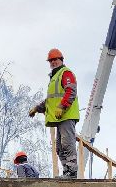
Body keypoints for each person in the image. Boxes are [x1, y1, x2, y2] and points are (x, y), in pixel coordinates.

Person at [28, 48, 79, 179]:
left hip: (66, 116)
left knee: (67, 144)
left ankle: (72, 173)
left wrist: (62, 107)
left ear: (61, 60)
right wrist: (37, 108)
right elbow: (50, 100)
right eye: (51, 60)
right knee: (60, 148)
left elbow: (70, 92)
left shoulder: (66, 73)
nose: (53, 62)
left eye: (55, 59)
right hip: (60, 117)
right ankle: (67, 172)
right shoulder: (54, 77)